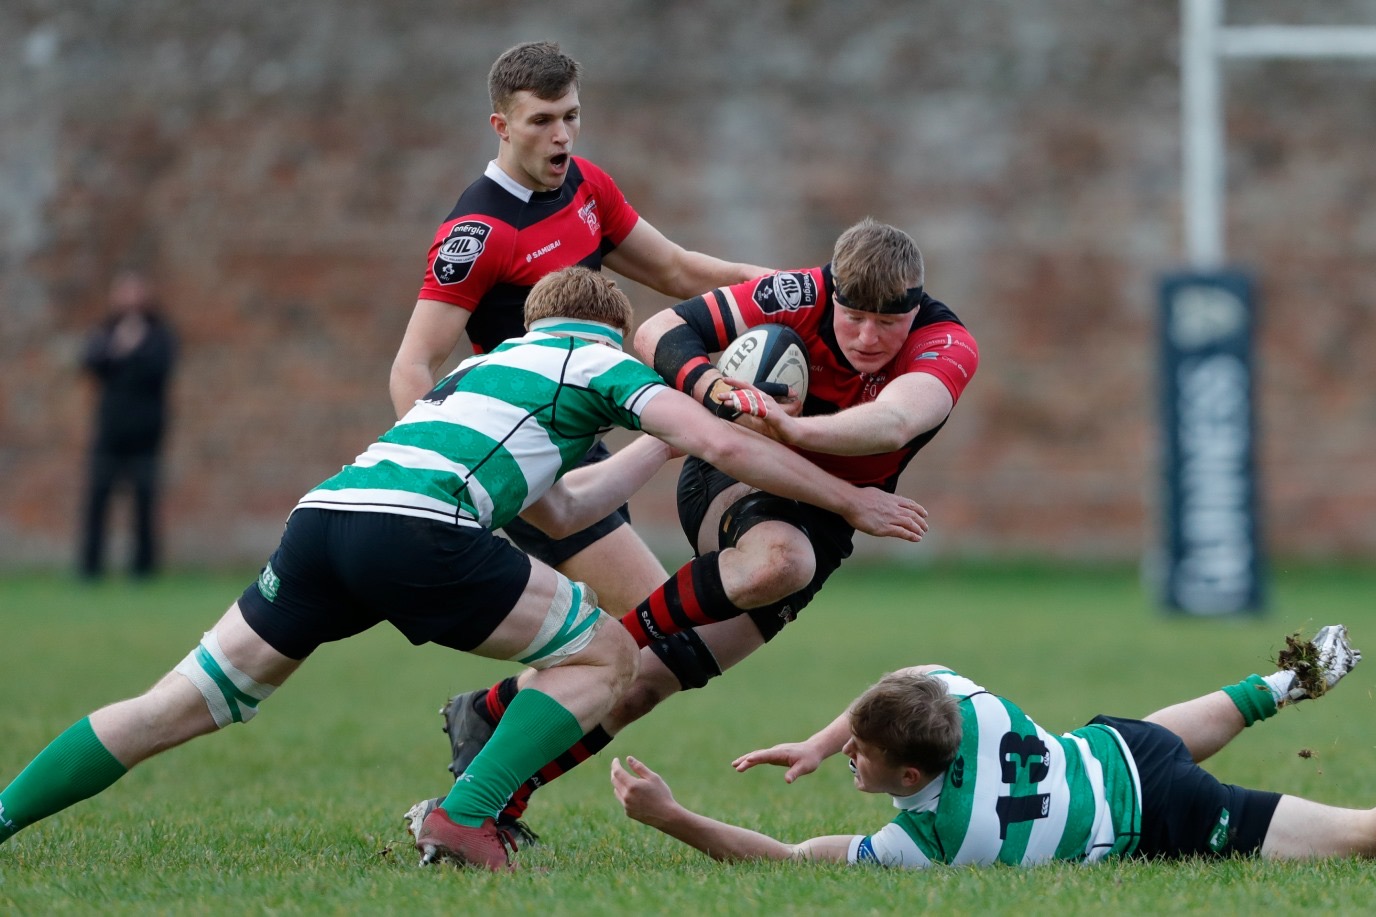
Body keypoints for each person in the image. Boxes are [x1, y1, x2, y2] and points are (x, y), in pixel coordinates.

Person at [0, 267, 928, 872]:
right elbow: (716, 439)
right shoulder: (598, 359)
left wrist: (653, 446)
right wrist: (848, 501)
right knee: (607, 654)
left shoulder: (483, 374)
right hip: (417, 532)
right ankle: (466, 815)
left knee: (174, 704)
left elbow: (561, 510)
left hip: (323, 521)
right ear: (611, 330)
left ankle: (4, 814)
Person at [411, 216, 980, 843]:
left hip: (823, 520)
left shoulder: (945, 341)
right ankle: (604, 643)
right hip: (736, 473)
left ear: (914, 308)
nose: (868, 337)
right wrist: (711, 388)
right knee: (779, 563)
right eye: (854, 317)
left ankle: (491, 774)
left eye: (887, 323)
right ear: (833, 292)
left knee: (645, 683)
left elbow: (895, 421)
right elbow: (658, 330)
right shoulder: (799, 292)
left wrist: (792, 428)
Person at [611, 625, 1376, 866]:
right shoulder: (968, 701)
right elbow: (907, 674)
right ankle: (1287, 679)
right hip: (1115, 745)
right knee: (1152, 733)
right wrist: (824, 736)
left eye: (856, 754)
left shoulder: (932, 842)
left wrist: (670, 815)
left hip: (1157, 810)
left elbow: (785, 859)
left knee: (1366, 835)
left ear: (911, 775)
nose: (847, 759)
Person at [388, 40, 770, 626]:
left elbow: (676, 269)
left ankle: (510, 693)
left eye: (570, 116)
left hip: (581, 443)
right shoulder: (479, 231)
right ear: (501, 126)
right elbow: (412, 365)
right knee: (657, 623)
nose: (562, 136)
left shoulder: (585, 185)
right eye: (541, 121)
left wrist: (787, 288)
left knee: (617, 637)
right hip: (523, 451)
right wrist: (456, 473)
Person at [78, 270, 179, 580]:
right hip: (110, 430)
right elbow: (89, 363)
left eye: (136, 291)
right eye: (124, 291)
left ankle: (143, 568)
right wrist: (119, 347)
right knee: (98, 498)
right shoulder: (106, 332)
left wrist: (137, 348)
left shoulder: (159, 334)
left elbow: (162, 368)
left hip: (146, 432)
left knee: (144, 501)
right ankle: (90, 568)